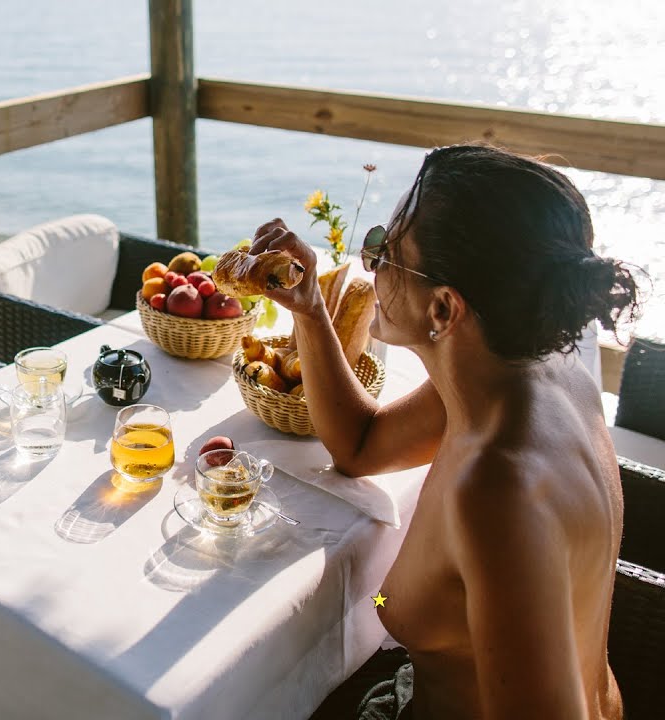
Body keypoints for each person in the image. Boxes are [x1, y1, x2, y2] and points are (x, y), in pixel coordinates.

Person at [253, 143, 639, 719]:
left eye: (385, 251)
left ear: (442, 310)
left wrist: (385, 610)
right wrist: (310, 310)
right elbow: (361, 446)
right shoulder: (522, 368)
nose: (369, 265)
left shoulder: (496, 489)